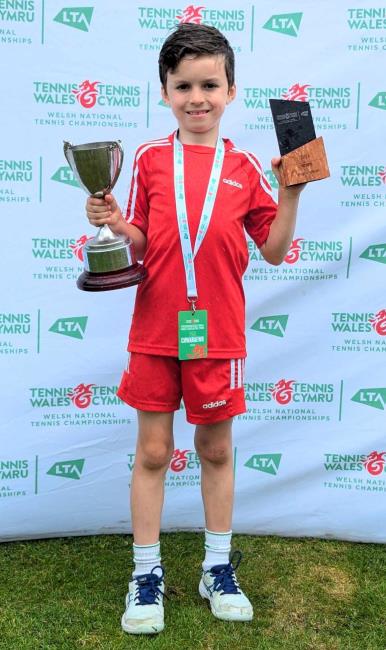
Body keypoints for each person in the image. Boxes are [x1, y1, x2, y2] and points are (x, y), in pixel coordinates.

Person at [86, 23, 305, 635]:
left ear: (231, 90)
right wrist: (113, 220)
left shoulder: (244, 167)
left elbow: (275, 251)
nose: (197, 97)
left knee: (215, 448)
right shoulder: (152, 159)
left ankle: (216, 566)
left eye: (210, 84)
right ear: (165, 91)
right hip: (156, 329)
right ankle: (146, 572)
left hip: (218, 334)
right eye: (184, 86)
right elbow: (139, 240)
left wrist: (290, 195)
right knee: (153, 450)